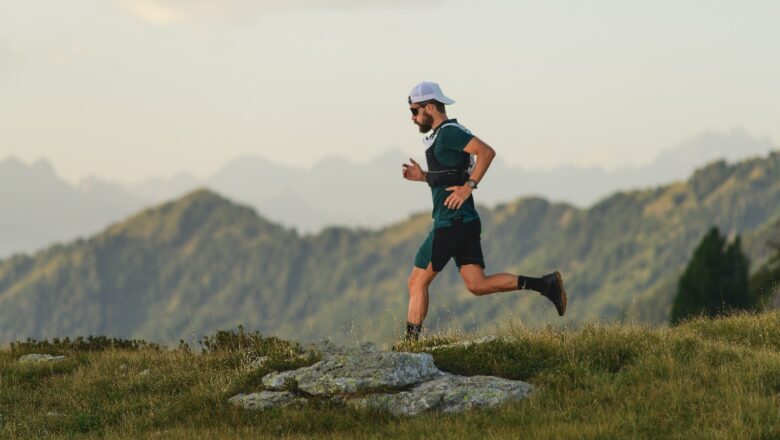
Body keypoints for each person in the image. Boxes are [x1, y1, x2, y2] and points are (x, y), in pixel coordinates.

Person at [401, 81, 567, 341]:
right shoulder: (446, 134)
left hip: (451, 222)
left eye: (414, 111)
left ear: (430, 106)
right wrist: (423, 177)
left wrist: (468, 188)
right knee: (477, 284)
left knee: (417, 282)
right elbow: (452, 173)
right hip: (464, 221)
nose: (412, 118)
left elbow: (486, 152)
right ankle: (545, 285)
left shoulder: (449, 132)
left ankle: (409, 350)